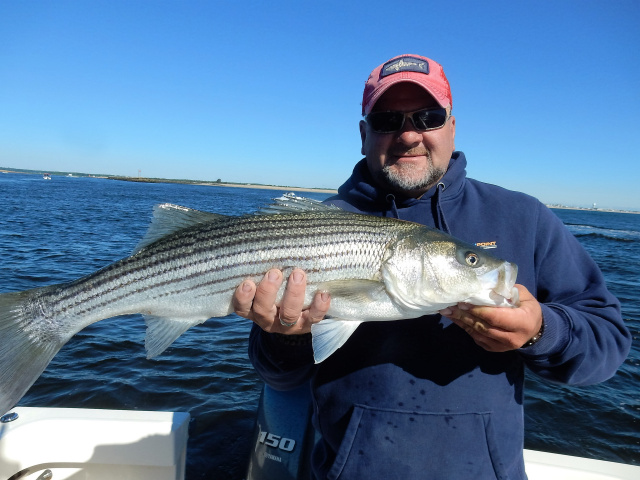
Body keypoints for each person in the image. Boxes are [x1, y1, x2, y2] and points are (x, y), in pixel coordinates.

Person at [232, 54, 632, 479]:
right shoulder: (318, 222)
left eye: (428, 117)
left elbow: (606, 345)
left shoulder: (523, 217)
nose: (409, 135)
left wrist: (540, 331)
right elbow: (276, 375)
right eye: (388, 120)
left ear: (452, 127)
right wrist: (289, 339)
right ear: (364, 134)